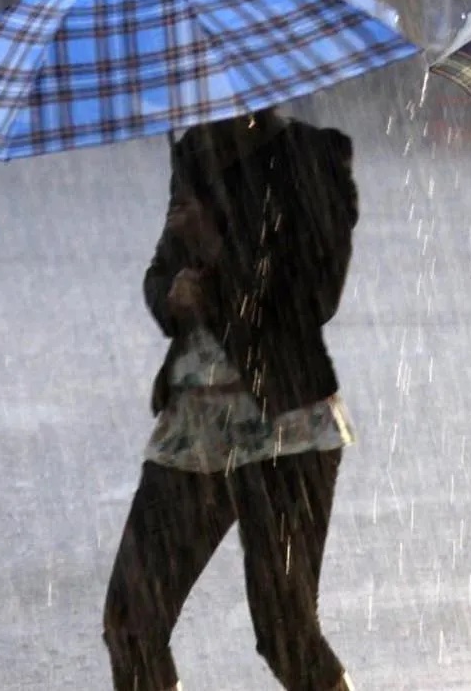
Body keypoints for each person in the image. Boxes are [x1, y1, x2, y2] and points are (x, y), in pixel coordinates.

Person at [103, 107, 360, 691]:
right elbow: (161, 272)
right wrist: (172, 294)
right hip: (193, 423)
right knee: (131, 623)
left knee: (283, 630)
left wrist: (217, 252)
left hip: (285, 422)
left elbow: (315, 294)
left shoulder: (312, 155)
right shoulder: (193, 153)